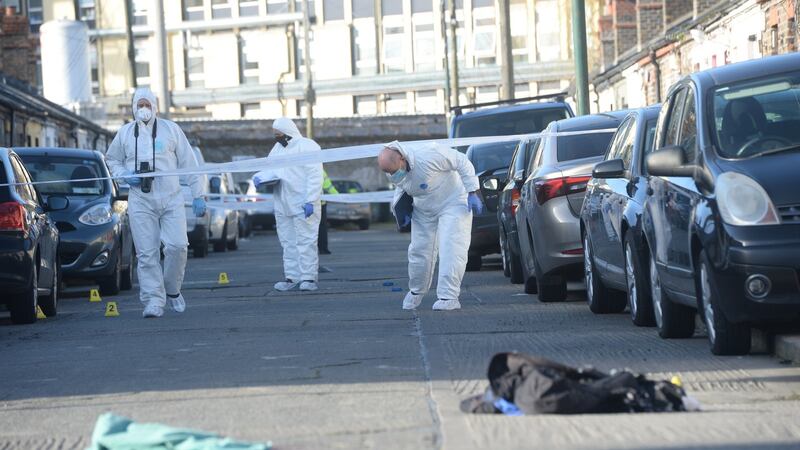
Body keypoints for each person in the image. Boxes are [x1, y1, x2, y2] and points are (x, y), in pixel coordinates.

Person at [106, 88, 206, 318]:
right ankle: (153, 300)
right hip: (141, 199)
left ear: (155, 106)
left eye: (147, 105)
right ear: (133, 107)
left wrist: (198, 194)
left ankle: (172, 290)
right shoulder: (124, 134)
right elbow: (112, 159)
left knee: (178, 246)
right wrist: (124, 175)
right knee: (146, 253)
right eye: (139, 105)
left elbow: (189, 163)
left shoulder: (171, 130)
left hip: (171, 197)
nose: (143, 109)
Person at [378, 141, 483, 311]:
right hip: (423, 207)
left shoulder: (430, 154)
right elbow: (402, 186)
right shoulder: (393, 168)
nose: (393, 175)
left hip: (453, 201)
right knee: (419, 250)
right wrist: (400, 210)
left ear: (402, 158)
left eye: (394, 171)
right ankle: (416, 291)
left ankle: (449, 296)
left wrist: (473, 191)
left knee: (452, 246)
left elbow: (462, 162)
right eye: (389, 173)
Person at [253, 118, 323, 292]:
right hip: (283, 204)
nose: (277, 137)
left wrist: (311, 200)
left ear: (288, 132)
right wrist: (260, 177)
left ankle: (308, 278)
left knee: (306, 241)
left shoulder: (308, 146)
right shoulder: (277, 149)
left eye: (279, 134)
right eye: (275, 134)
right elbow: (270, 170)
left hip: (303, 204)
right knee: (288, 242)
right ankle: (292, 277)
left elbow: (315, 175)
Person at [318, 169, 339, 255]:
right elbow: (329, 187)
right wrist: (339, 197)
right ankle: (323, 249)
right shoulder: (320, 171)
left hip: (305, 204)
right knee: (322, 228)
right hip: (320, 204)